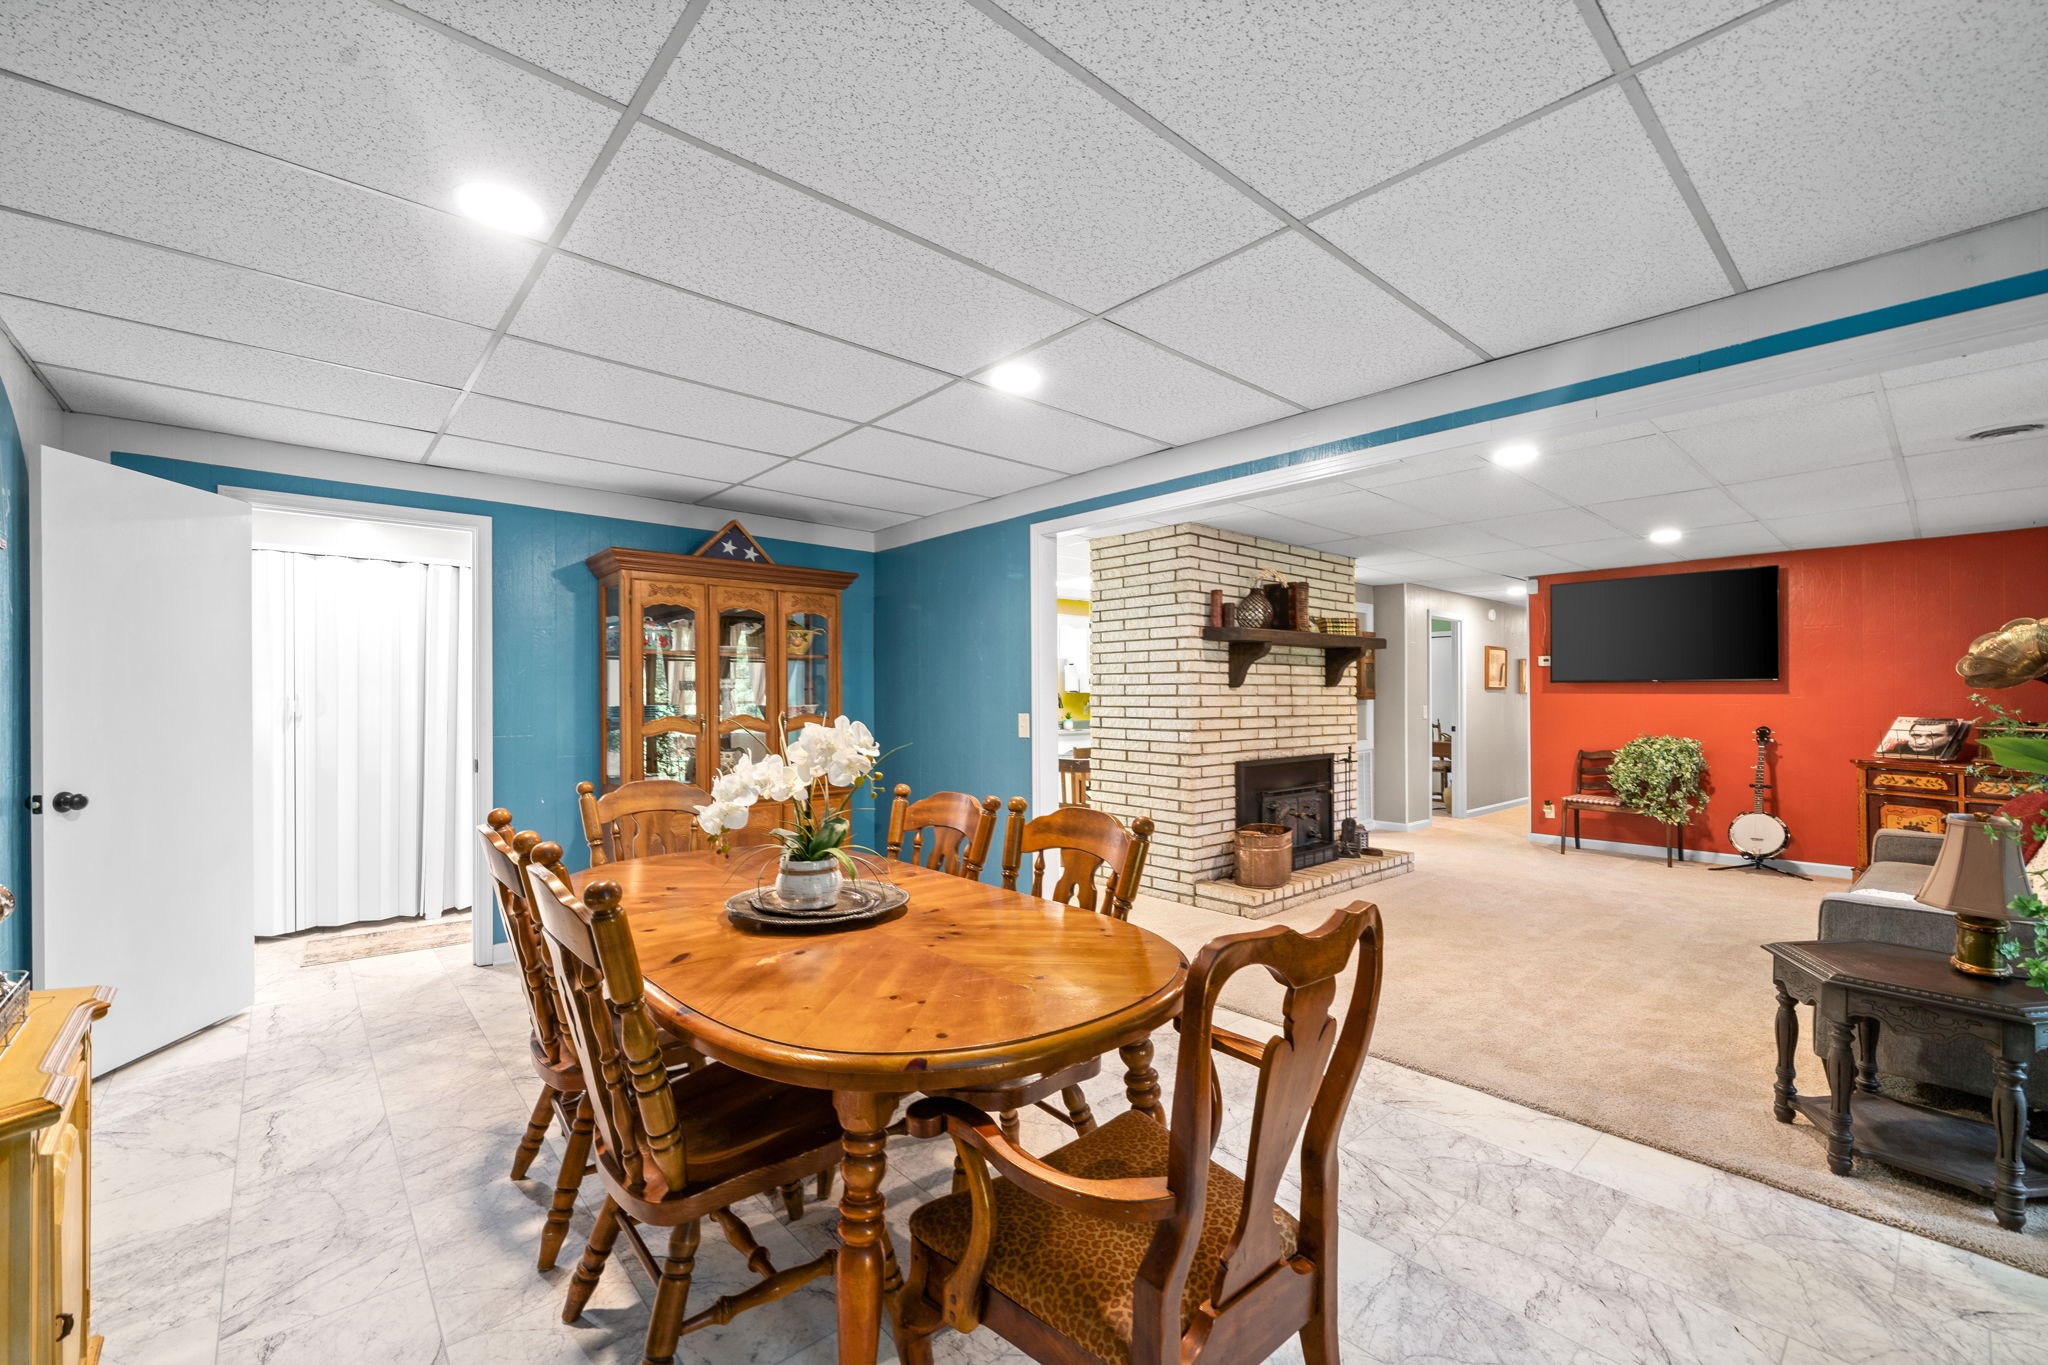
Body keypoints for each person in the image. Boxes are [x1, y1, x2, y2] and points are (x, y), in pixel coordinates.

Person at [1879, 717, 1960, 759]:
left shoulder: (1954, 752)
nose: (1921, 742)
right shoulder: (1896, 750)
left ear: (1950, 737)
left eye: (1933, 736)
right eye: (1916, 736)